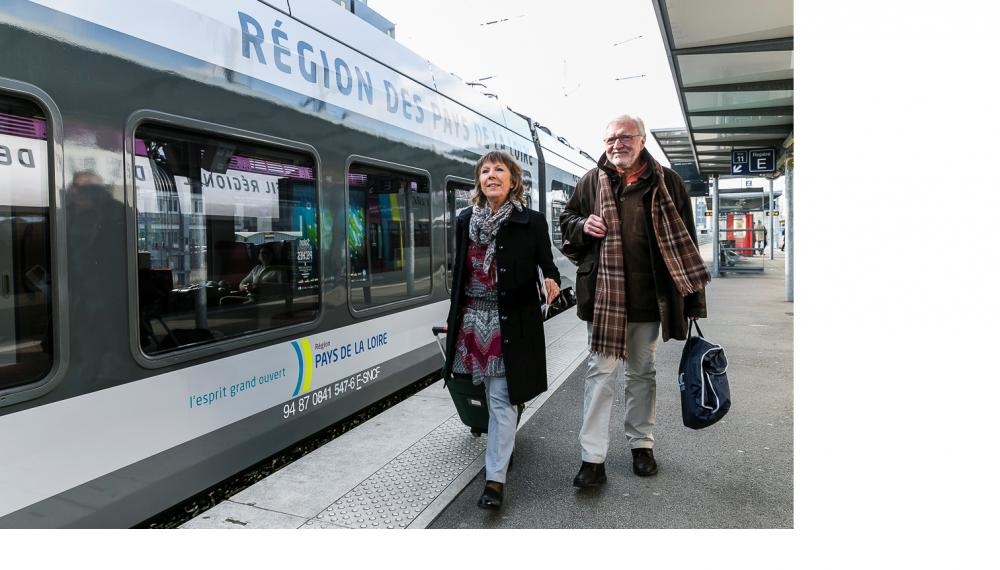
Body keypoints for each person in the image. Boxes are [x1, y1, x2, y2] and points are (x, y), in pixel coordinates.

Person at [559, 115, 710, 488]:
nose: (617, 144)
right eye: (610, 139)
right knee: (600, 374)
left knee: (643, 374)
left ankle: (642, 445)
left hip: (649, 300)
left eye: (625, 137)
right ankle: (592, 458)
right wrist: (582, 226)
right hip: (605, 300)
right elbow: (567, 219)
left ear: (642, 140)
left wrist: (693, 302)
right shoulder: (591, 180)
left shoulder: (668, 182)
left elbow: (687, 243)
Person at [442, 150, 560, 510]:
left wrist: (551, 280)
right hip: (472, 319)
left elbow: (548, 264)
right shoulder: (465, 220)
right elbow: (460, 274)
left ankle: (494, 481)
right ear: (479, 181)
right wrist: (454, 316)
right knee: (485, 393)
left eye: (499, 170)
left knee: (501, 398)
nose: (491, 175)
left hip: (509, 320)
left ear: (513, 180)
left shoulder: (531, 221)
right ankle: (502, 445)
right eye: (485, 171)